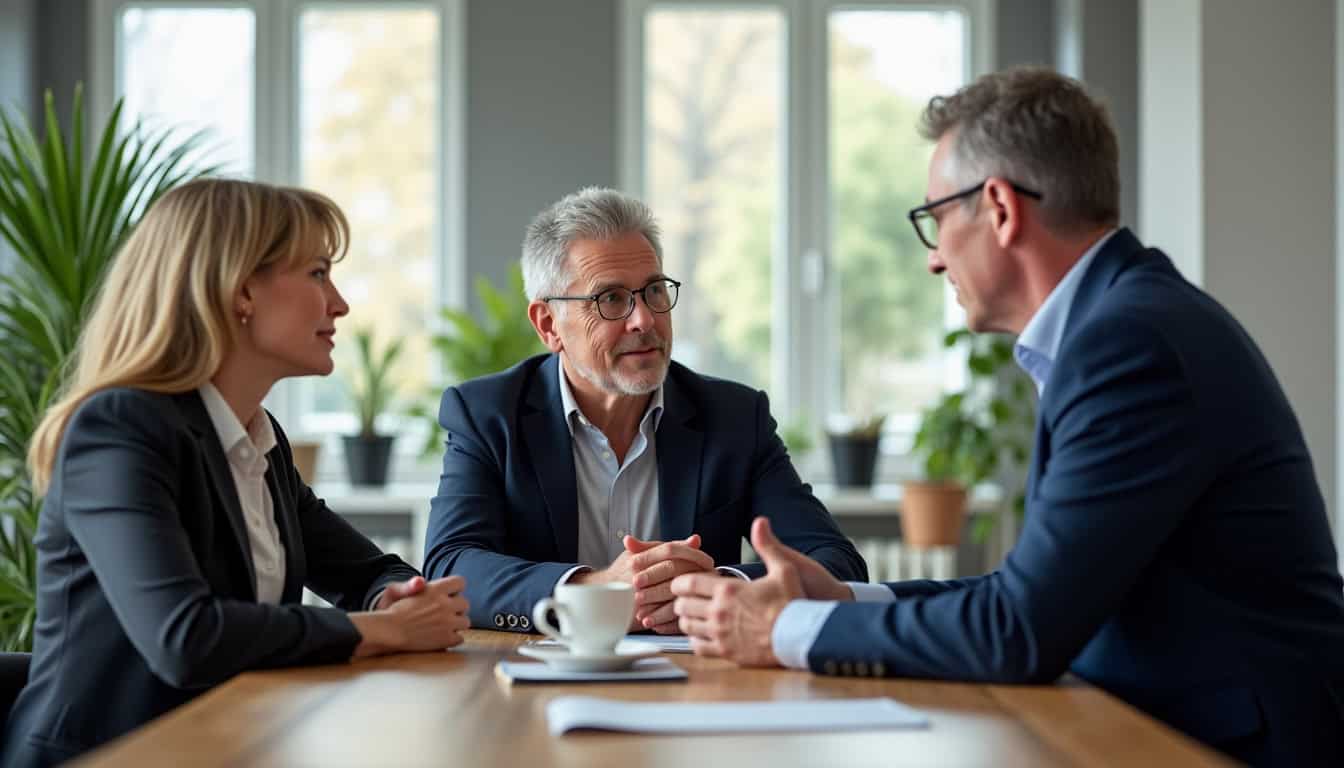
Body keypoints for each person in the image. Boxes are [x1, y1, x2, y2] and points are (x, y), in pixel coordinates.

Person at [670, 67, 1344, 766]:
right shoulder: (1124, 320)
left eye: (934, 220)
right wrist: (843, 599)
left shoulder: (1128, 342)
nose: (933, 259)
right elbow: (1027, 591)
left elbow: (1018, 630)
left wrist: (787, 630)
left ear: (998, 207)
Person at [1, 179, 470, 768]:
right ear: (241, 289)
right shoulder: (121, 428)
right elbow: (185, 639)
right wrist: (381, 631)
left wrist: (395, 598)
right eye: (318, 273)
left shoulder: (256, 438)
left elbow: (370, 571)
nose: (340, 303)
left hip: (230, 741)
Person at [423, 187, 866, 635]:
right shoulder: (488, 414)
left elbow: (835, 564)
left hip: (696, 685)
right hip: (533, 684)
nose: (645, 320)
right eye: (611, 299)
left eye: (654, 290)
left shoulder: (733, 417)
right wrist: (593, 591)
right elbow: (450, 566)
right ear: (548, 325)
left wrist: (715, 590)